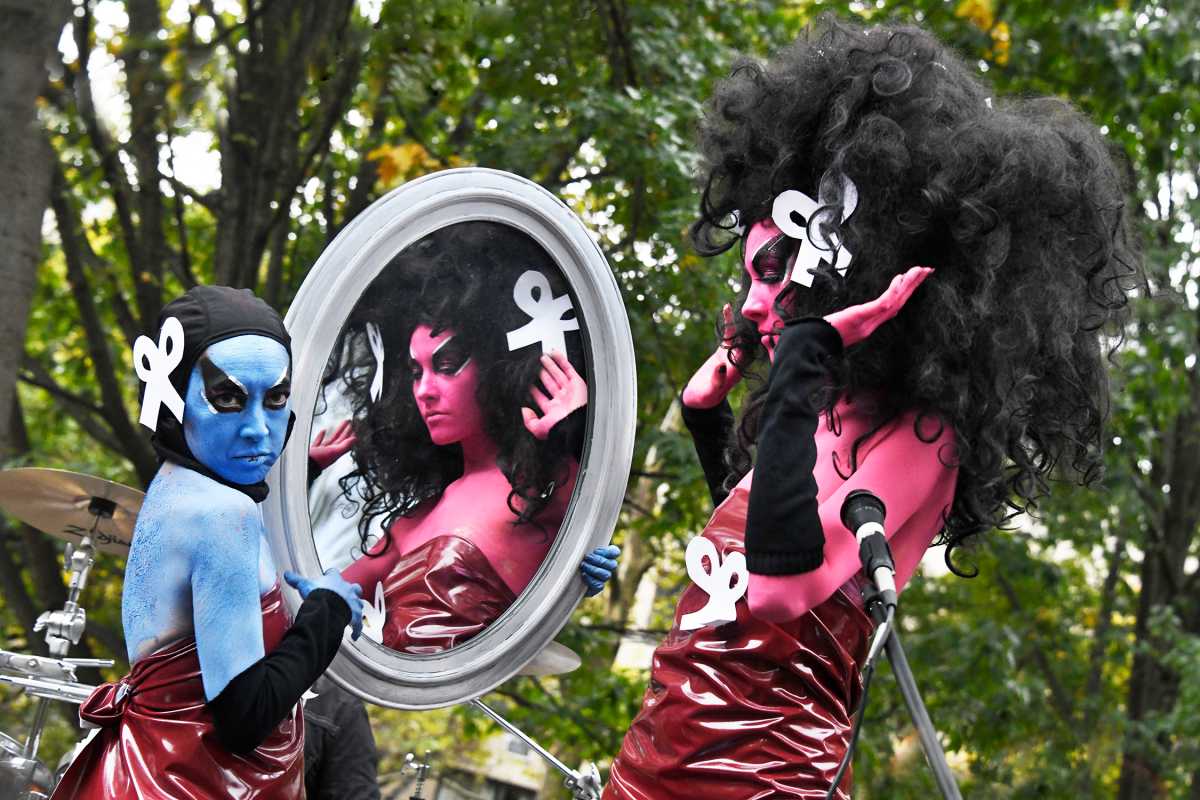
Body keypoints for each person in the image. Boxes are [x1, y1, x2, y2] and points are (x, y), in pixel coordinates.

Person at [604, 16, 1139, 799]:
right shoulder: (813, 419)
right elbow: (746, 549)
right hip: (653, 767)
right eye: (749, 275)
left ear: (848, 269)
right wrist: (705, 416)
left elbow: (780, 588)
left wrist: (801, 360)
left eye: (772, 272)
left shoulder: (925, 440)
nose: (750, 301)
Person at [53, 286, 365, 800]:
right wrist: (327, 611)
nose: (258, 430)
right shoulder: (223, 514)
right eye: (227, 398)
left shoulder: (177, 485)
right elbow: (245, 717)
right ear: (175, 396)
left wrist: (302, 471)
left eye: (276, 399)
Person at [314, 222, 619, 653]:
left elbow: (588, 522)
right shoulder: (413, 521)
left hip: (476, 687)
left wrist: (574, 433)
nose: (424, 390)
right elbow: (313, 603)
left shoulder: (544, 486)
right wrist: (298, 473)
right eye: (415, 371)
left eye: (447, 364)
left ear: (497, 366)